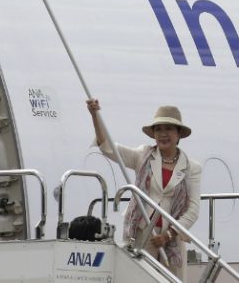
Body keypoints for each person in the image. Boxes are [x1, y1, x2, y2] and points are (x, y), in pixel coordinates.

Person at [86, 98, 201, 280]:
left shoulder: (192, 168)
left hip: (173, 240)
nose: (163, 134)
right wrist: (95, 116)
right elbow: (108, 148)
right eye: (158, 129)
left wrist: (169, 234)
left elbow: (193, 210)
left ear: (179, 134)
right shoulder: (143, 155)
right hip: (142, 234)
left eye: (169, 128)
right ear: (153, 134)